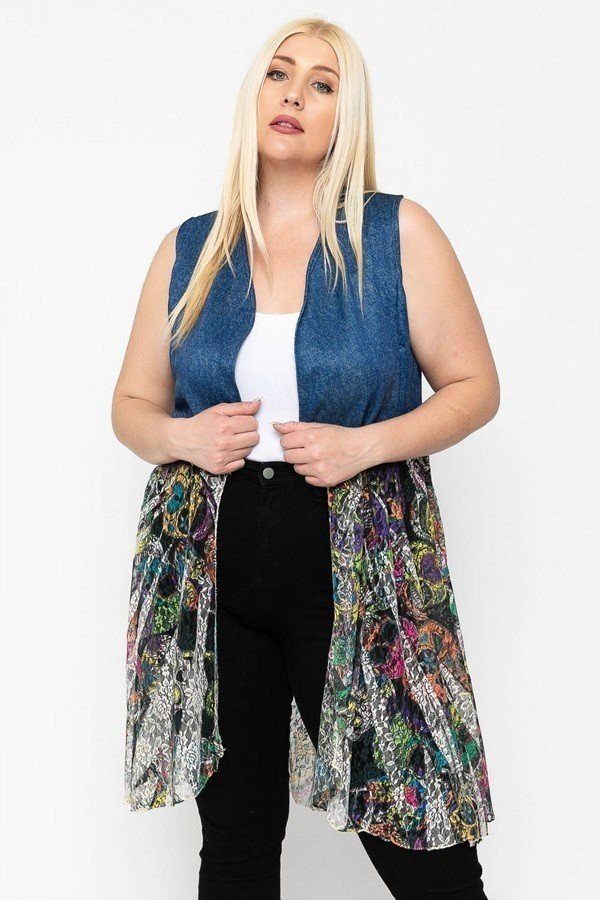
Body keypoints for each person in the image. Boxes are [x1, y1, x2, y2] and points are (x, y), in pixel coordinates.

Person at [113, 16, 498, 900]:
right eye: (278, 74)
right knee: (236, 844)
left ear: (345, 115)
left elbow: (475, 386)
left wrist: (368, 444)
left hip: (357, 561)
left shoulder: (397, 234)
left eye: (322, 84)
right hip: (211, 563)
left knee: (421, 837)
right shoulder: (191, 248)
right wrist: (180, 436)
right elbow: (131, 406)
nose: (293, 95)